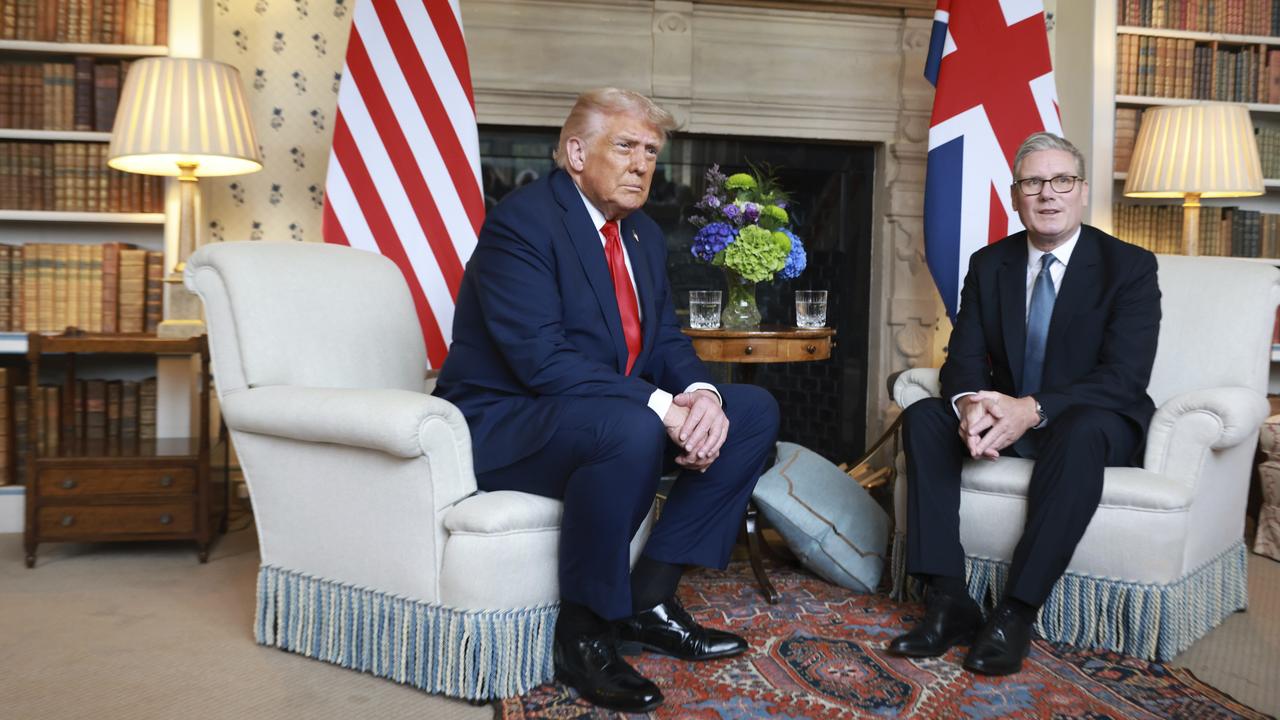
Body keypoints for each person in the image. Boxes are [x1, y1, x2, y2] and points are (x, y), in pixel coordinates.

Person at [433, 88, 780, 712]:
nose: (642, 164)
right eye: (625, 146)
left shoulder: (640, 233)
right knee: (632, 426)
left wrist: (700, 396)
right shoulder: (523, 222)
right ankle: (584, 634)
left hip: (602, 415)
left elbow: (664, 339)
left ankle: (649, 599)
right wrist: (661, 407)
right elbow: (542, 360)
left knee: (751, 412)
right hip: (506, 422)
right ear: (575, 153)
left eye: (650, 151)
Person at [886, 132, 1161, 675]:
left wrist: (1030, 409)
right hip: (1006, 415)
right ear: (1015, 196)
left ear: (1082, 191)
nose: (1048, 193)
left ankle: (1015, 611)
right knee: (923, 417)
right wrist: (970, 404)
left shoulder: (1128, 266)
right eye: (1033, 182)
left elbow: (1124, 377)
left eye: (1062, 180)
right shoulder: (991, 264)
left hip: (1094, 420)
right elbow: (963, 359)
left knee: (1080, 430)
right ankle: (948, 597)